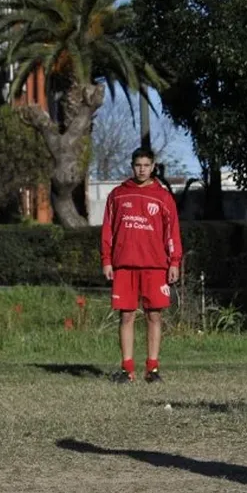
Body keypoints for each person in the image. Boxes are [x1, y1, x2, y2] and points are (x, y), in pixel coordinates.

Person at [101, 147, 183, 384]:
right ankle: (127, 369)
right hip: (124, 266)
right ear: (132, 166)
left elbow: (172, 232)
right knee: (126, 316)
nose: (142, 170)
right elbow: (107, 230)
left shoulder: (163, 197)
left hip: (155, 266)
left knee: (154, 315)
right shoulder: (117, 195)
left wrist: (174, 261)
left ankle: (152, 369)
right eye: (138, 165)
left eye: (146, 165)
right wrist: (107, 260)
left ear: (153, 166)